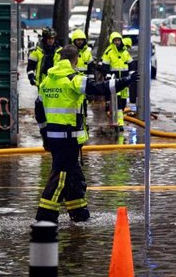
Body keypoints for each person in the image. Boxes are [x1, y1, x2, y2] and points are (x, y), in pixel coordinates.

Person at [34, 45, 136, 223]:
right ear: (76, 60)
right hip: (69, 139)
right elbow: (101, 88)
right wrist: (127, 80)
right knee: (61, 176)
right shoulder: (73, 79)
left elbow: (39, 111)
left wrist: (45, 135)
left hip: (55, 138)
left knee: (75, 178)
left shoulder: (47, 81)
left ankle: (79, 216)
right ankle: (45, 218)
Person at [101, 32, 133, 134]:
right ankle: (119, 122)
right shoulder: (108, 52)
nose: (117, 42)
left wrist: (131, 75)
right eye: (115, 40)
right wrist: (108, 75)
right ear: (112, 41)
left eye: (118, 40)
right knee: (117, 102)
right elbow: (105, 66)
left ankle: (119, 117)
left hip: (125, 80)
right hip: (115, 81)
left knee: (123, 102)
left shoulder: (125, 52)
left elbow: (131, 63)